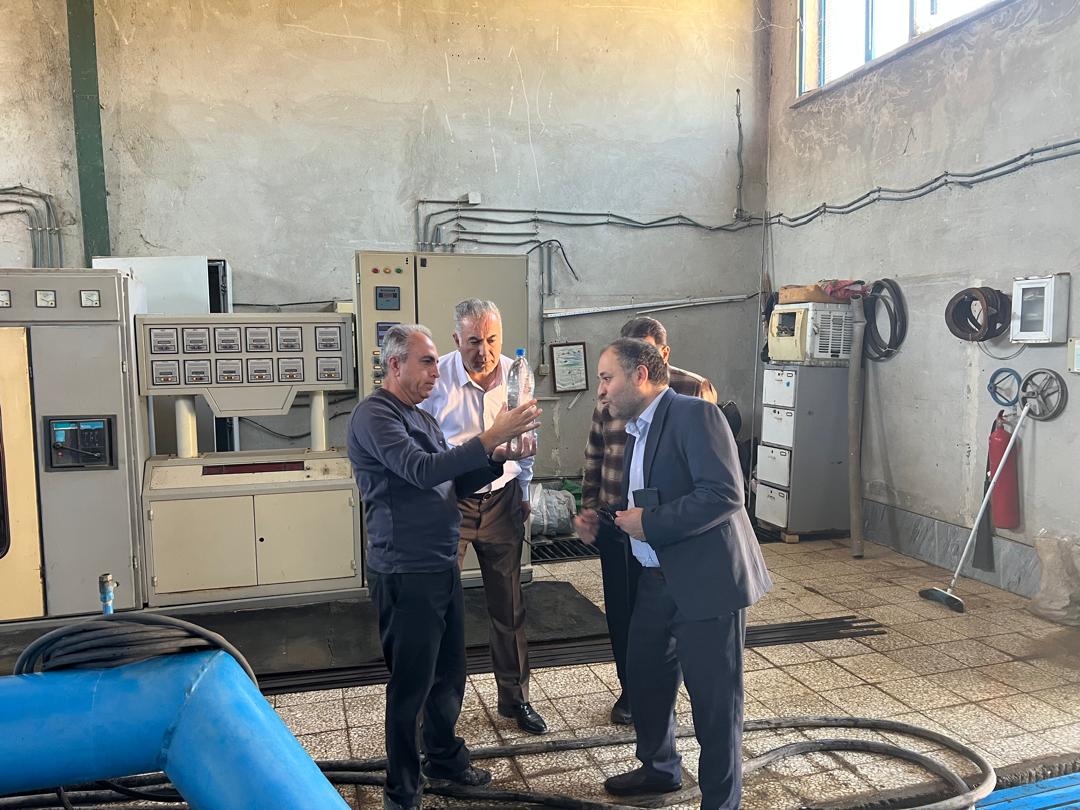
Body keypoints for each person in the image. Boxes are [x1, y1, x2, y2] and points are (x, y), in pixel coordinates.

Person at [348, 324, 541, 810]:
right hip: (405, 569)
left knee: (449, 673)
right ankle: (402, 791)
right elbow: (420, 471)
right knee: (411, 685)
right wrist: (489, 435)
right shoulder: (375, 415)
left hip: (438, 564)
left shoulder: (422, 418)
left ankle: (444, 759)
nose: (438, 371)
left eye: (436, 361)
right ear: (395, 365)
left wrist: (497, 456)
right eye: (428, 361)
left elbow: (451, 482)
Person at [575, 338, 771, 810]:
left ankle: (721, 802)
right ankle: (660, 768)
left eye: (607, 378)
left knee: (714, 702)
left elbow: (724, 495)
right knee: (645, 679)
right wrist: (605, 522)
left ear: (640, 375)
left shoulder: (695, 415)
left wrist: (650, 524)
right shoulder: (637, 429)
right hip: (656, 579)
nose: (600, 390)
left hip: (706, 583)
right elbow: (655, 496)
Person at [419, 299, 548, 735]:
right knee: (438, 607)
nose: (484, 351)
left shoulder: (516, 374)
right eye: (474, 341)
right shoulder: (437, 378)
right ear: (456, 339)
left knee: (508, 605)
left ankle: (516, 699)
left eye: (492, 340)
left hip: (502, 500)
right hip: (450, 501)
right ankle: (437, 714)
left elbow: (527, 438)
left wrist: (524, 489)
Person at [581, 316, 717, 726]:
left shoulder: (693, 391)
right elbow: (595, 452)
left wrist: (664, 522)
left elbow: (714, 477)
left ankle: (667, 694)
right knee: (625, 615)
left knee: (676, 616)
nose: (635, 360)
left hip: (672, 529)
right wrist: (591, 507)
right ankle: (634, 691)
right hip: (617, 521)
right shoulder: (612, 393)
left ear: (662, 355)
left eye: (645, 351)